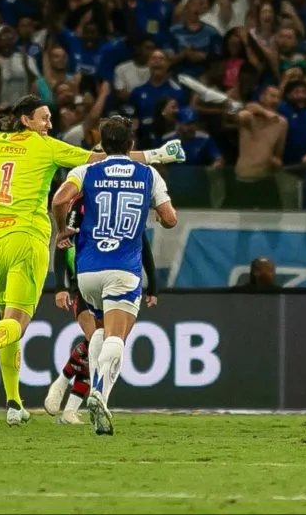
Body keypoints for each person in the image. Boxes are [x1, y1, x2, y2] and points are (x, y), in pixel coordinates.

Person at [0, 96, 184, 426]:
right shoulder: (47, 147)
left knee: (7, 324)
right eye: (43, 118)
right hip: (27, 240)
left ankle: (13, 404)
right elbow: (103, 159)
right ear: (26, 120)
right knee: (17, 322)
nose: (49, 125)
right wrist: (157, 155)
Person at [51, 116, 178, 435]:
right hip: (123, 268)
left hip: (88, 271)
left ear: (102, 146)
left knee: (97, 332)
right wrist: (156, 217)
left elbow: (59, 199)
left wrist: (62, 230)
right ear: (132, 144)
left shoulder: (85, 171)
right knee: (116, 337)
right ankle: (97, 391)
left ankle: (97, 401)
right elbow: (170, 219)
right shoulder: (149, 174)